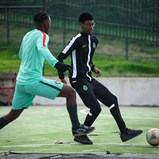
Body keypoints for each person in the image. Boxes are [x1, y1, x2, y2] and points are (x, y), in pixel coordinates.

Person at [0, 12, 95, 142]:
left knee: (13, 115)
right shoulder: (43, 35)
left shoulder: (28, 35)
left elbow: (21, 54)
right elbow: (42, 48)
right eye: (49, 23)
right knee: (71, 93)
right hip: (33, 81)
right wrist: (57, 64)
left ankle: (79, 133)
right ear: (45, 24)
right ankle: (77, 129)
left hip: (21, 82)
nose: (50, 26)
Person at [57, 12, 143, 144]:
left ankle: (124, 132)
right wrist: (62, 77)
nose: (91, 27)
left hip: (88, 78)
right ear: (81, 25)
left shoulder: (94, 40)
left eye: (93, 24)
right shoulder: (76, 40)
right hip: (78, 80)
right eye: (88, 25)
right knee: (95, 108)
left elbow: (87, 60)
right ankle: (80, 135)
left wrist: (93, 67)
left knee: (112, 100)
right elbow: (60, 58)